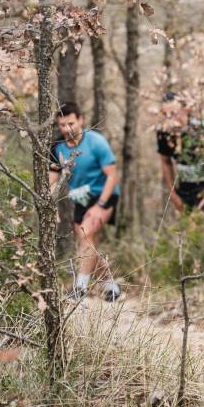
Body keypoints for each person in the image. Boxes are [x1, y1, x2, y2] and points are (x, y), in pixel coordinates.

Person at [48, 102, 122, 302]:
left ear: (80, 120)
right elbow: (52, 182)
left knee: (86, 234)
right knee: (87, 243)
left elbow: (112, 176)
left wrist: (100, 206)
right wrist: (51, 207)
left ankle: (80, 288)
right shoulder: (57, 147)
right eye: (62, 125)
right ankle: (111, 287)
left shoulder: (96, 142)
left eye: (70, 123)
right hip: (80, 199)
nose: (67, 129)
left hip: (104, 196)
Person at [156, 92, 204, 217]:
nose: (170, 119)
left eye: (174, 113)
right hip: (185, 189)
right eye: (165, 115)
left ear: (185, 110)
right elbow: (165, 162)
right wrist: (173, 194)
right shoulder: (163, 132)